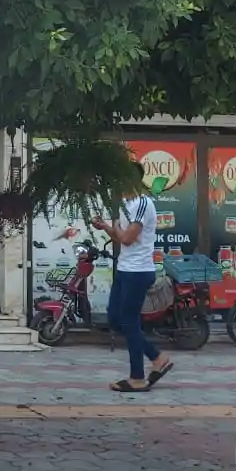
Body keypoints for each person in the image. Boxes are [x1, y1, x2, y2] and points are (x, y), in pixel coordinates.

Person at [93, 163, 173, 394]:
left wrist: (118, 228)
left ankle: (138, 377)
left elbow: (127, 238)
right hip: (125, 269)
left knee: (129, 321)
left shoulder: (143, 204)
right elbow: (121, 237)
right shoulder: (126, 205)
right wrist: (106, 226)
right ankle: (157, 358)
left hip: (138, 271)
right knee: (115, 318)